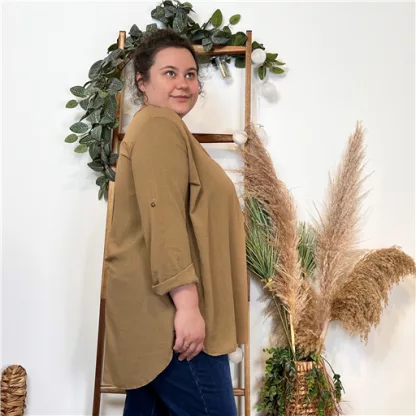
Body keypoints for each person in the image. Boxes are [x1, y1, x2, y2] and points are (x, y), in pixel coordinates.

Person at [103, 28, 249, 416]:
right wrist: (187, 307)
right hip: (171, 320)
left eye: (190, 74)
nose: (183, 84)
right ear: (142, 81)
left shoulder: (160, 127)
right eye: (169, 73)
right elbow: (164, 221)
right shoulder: (158, 127)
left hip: (154, 314)